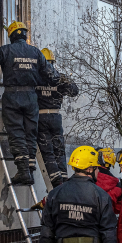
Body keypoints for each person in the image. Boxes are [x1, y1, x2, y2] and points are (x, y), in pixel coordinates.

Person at [0, 22, 57, 185]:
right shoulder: (36, 52)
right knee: (30, 133)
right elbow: (51, 75)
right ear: (25, 35)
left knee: (16, 132)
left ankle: (23, 171)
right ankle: (30, 169)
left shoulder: (6, 50)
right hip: (31, 97)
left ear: (11, 36)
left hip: (13, 96)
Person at [36, 48, 79, 187]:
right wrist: (65, 80)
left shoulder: (35, 77)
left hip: (41, 116)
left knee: (46, 148)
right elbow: (74, 91)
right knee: (59, 148)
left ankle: (55, 177)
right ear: (53, 63)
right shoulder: (59, 78)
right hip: (55, 116)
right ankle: (63, 176)